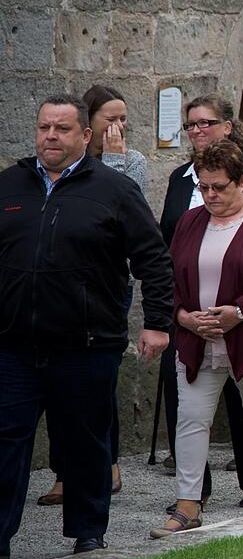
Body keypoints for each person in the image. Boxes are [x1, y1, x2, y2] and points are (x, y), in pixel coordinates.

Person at [0, 95, 172, 559]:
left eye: (61, 129)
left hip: (87, 344)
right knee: (5, 441)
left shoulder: (114, 189)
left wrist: (157, 323)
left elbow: (153, 260)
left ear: (85, 136)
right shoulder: (9, 186)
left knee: (85, 443)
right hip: (14, 345)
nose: (50, 137)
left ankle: (88, 532)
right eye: (43, 128)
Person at [151, 140, 243, 538]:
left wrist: (238, 312)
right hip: (198, 338)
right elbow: (172, 276)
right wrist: (183, 315)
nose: (210, 195)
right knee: (191, 421)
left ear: (241, 181)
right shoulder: (190, 221)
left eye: (219, 187)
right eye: (204, 187)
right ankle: (187, 505)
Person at [158, 93, 243, 510]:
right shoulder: (179, 178)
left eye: (205, 123)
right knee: (185, 402)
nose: (197, 131)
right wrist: (178, 313)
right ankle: (194, 494)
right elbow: (166, 241)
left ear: (228, 127)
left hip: (242, 311)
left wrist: (240, 309)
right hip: (190, 311)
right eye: (190, 125)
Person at [37, 84, 150, 507]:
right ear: (89, 125)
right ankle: (64, 472)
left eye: (124, 118)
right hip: (56, 292)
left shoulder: (131, 161)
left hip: (108, 288)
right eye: (111, 119)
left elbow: (126, 213)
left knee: (98, 380)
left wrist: (116, 158)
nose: (118, 126)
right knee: (54, 384)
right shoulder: (53, 169)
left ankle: (110, 464)